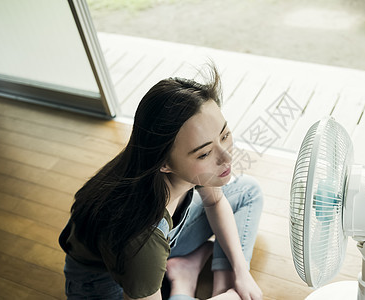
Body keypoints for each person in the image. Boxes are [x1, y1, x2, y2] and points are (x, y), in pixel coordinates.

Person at [58, 66, 264, 300]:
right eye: (204, 153)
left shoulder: (188, 162)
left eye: (224, 135)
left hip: (153, 249)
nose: (226, 157)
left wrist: (241, 273)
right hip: (104, 285)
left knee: (247, 190)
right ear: (163, 163)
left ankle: (206, 278)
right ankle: (184, 285)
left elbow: (215, 202)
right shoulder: (142, 240)